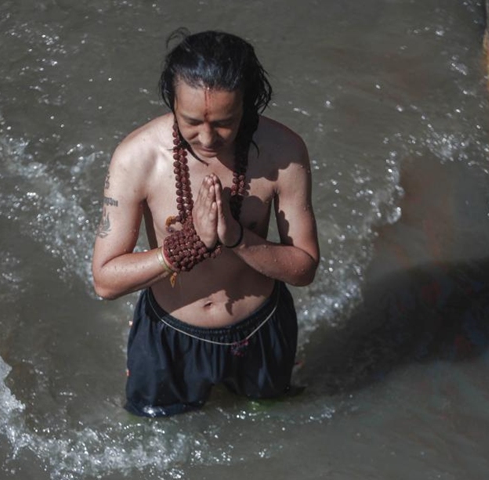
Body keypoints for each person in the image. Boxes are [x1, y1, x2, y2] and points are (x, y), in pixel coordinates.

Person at [91, 29, 320, 417]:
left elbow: (305, 269)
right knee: (154, 431)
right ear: (172, 103)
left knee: (272, 419)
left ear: (249, 103)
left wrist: (237, 239)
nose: (208, 137)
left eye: (226, 123)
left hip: (259, 327)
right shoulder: (137, 158)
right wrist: (184, 247)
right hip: (169, 335)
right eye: (191, 121)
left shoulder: (284, 152)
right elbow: (105, 281)